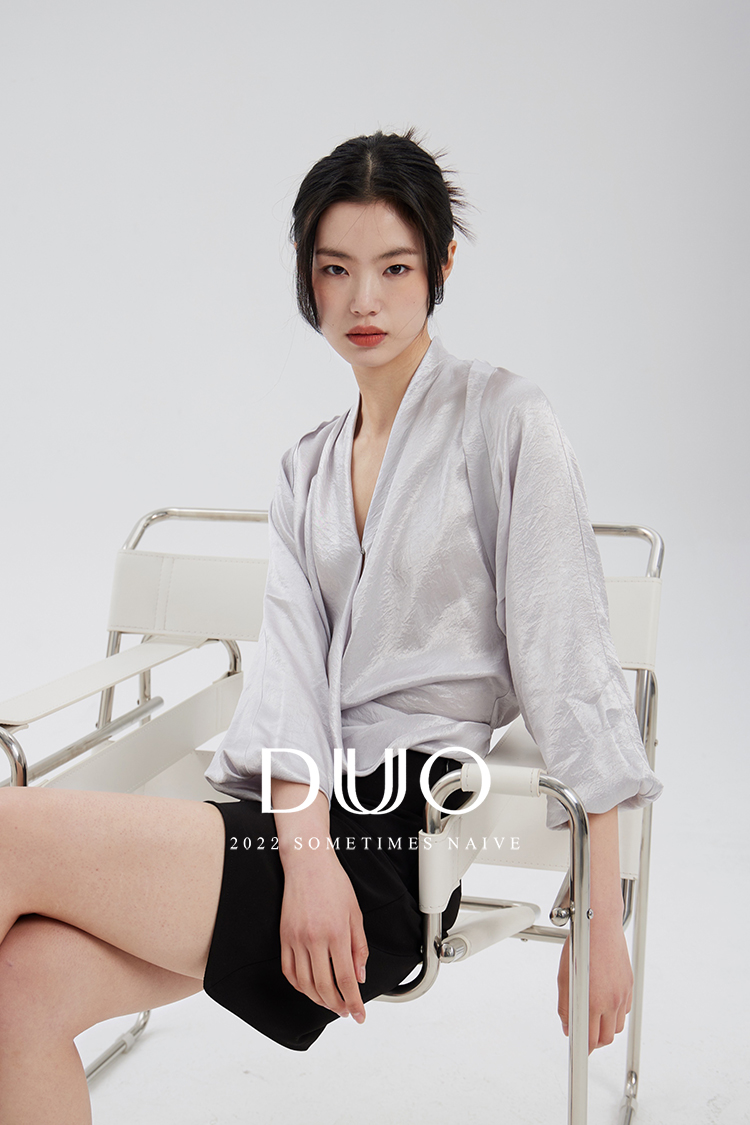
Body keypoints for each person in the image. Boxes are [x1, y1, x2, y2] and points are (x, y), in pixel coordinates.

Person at [0, 130, 662, 1123]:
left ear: (440, 265)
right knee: (20, 992)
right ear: (308, 280)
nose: (364, 300)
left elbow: (570, 667)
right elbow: (291, 682)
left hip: (400, 839)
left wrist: (600, 917)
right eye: (335, 269)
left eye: (394, 267)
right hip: (289, 832)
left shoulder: (507, 420)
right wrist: (304, 858)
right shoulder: (307, 467)